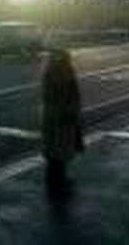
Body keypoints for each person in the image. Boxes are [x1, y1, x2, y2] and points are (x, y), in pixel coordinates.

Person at [42, 48, 84, 193]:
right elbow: (70, 94)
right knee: (61, 147)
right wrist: (72, 110)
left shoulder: (51, 70)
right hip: (62, 115)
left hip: (53, 114)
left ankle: (54, 177)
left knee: (54, 147)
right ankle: (57, 179)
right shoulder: (64, 71)